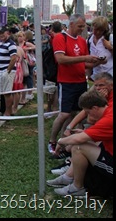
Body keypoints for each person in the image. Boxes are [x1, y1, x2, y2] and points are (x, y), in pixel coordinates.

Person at [47, 13, 103, 156]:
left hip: (80, 81)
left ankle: (65, 141)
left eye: (83, 26)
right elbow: (61, 59)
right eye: (79, 26)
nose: (82, 29)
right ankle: (52, 141)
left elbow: (84, 63)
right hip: (66, 82)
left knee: (77, 114)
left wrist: (97, 62)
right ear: (71, 24)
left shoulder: (82, 41)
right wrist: (84, 58)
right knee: (64, 113)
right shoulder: (60, 37)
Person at [46, 90, 113, 197]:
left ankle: (77, 187)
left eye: (88, 112)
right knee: (83, 142)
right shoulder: (109, 109)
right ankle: (68, 177)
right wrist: (84, 133)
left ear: (95, 108)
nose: (87, 116)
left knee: (78, 147)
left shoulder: (108, 120)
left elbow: (78, 140)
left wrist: (60, 141)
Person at [0, 27, 18, 116]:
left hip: (7, 71)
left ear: (8, 33)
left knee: (7, 92)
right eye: (0, 36)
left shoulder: (11, 44)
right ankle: (7, 111)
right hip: (2, 70)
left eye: (3, 35)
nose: (2, 37)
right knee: (4, 93)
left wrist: (8, 70)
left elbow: (14, 58)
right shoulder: (3, 43)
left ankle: (8, 112)